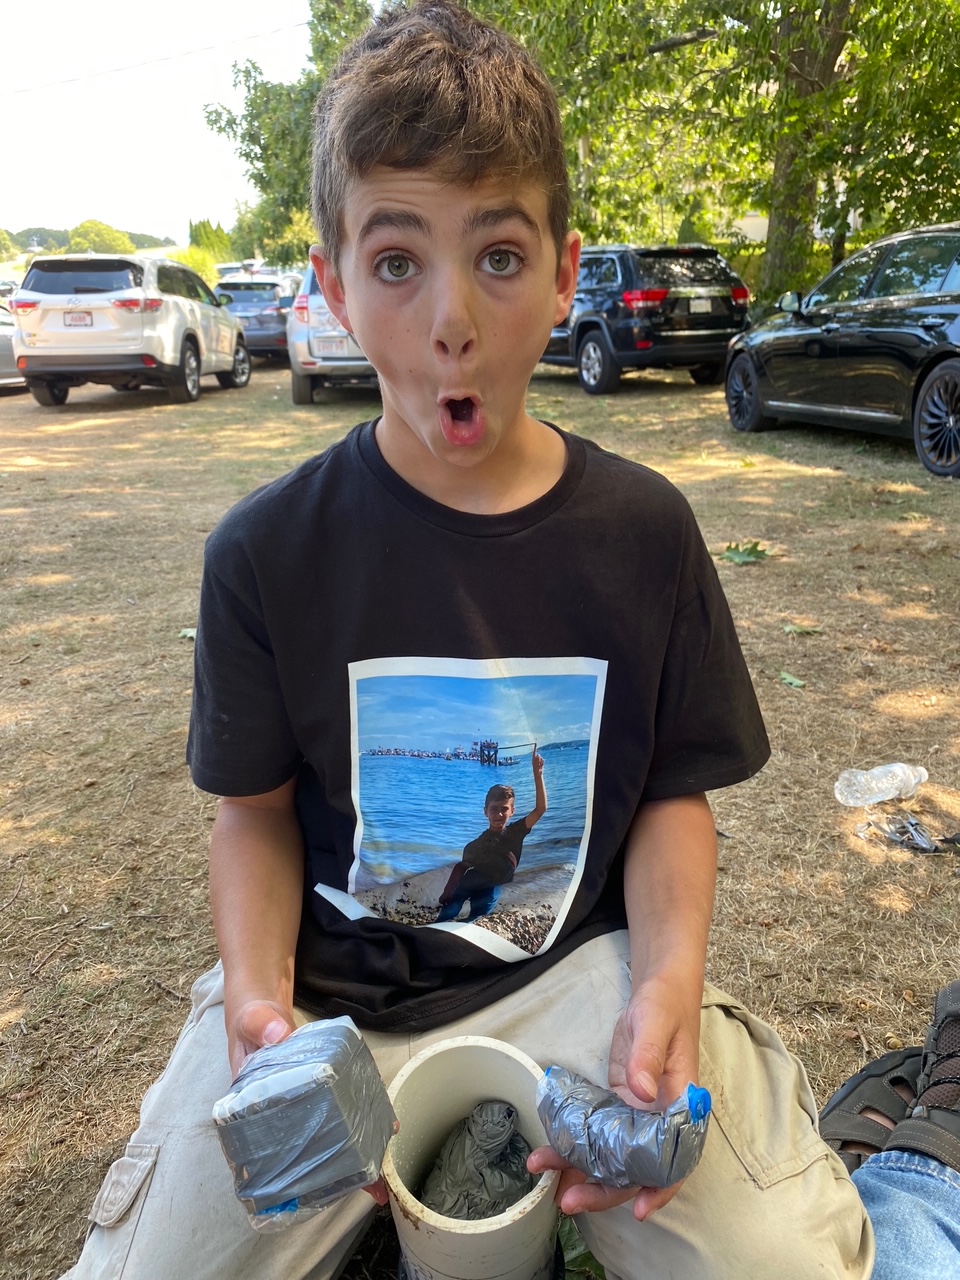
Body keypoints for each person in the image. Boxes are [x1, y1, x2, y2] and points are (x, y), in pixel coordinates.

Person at [61, 4, 960, 1279]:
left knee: (781, 1258)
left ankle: (915, 1169)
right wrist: (259, 1002)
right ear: (330, 282)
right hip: (325, 1001)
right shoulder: (265, 552)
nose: (451, 319)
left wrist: (667, 988)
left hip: (577, 980)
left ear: (562, 273)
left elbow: (671, 799)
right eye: (395, 260)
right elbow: (252, 815)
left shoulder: (645, 534)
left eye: (496, 254)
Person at [437, 753, 547, 922]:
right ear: (485, 812)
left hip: (491, 886)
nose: (499, 814)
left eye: (504, 809)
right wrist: (448, 891)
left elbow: (540, 809)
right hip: (471, 881)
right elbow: (461, 867)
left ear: (512, 811)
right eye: (494, 809)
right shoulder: (475, 845)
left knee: (475, 919)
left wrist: (537, 775)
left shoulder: (515, 832)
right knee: (449, 911)